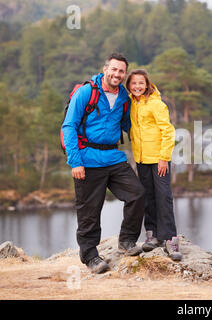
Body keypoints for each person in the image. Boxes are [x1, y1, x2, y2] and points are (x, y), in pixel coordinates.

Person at [62, 53, 145, 274]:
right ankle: (90, 256)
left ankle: (127, 241)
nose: (117, 74)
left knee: (137, 194)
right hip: (87, 160)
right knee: (90, 211)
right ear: (105, 69)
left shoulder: (124, 98)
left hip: (113, 157)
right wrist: (75, 162)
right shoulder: (86, 92)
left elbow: (131, 126)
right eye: (114, 70)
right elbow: (68, 126)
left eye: (121, 71)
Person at [126, 69, 182, 261]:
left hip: (159, 160)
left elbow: (168, 132)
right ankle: (152, 234)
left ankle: (170, 239)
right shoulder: (131, 104)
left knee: (163, 197)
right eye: (133, 83)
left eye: (141, 83)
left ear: (147, 84)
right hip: (141, 159)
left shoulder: (157, 104)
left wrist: (164, 157)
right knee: (147, 197)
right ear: (129, 86)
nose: (137, 87)